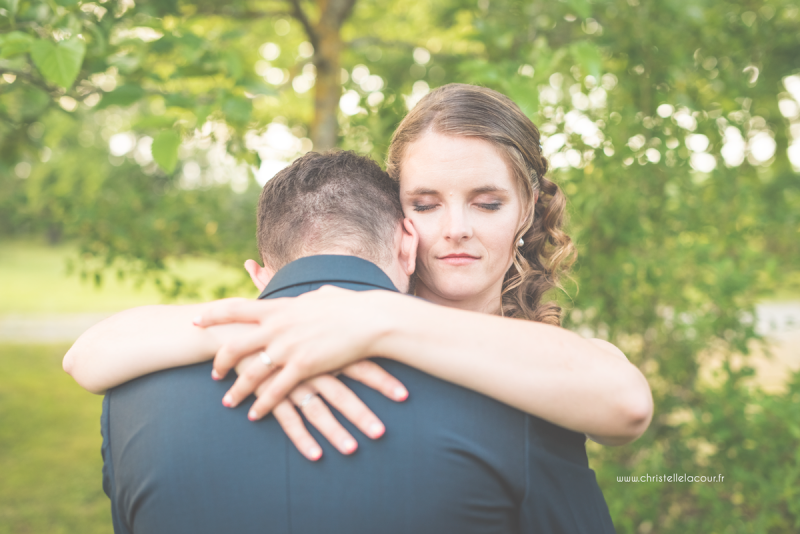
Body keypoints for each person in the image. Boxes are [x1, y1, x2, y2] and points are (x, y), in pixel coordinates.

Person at [66, 83, 653, 528]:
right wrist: (284, 322)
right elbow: (89, 355)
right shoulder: (305, 327)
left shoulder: (532, 371)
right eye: (425, 204)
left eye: (487, 202)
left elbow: (625, 403)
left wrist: (380, 317)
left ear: (525, 210)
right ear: (398, 224)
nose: (455, 230)